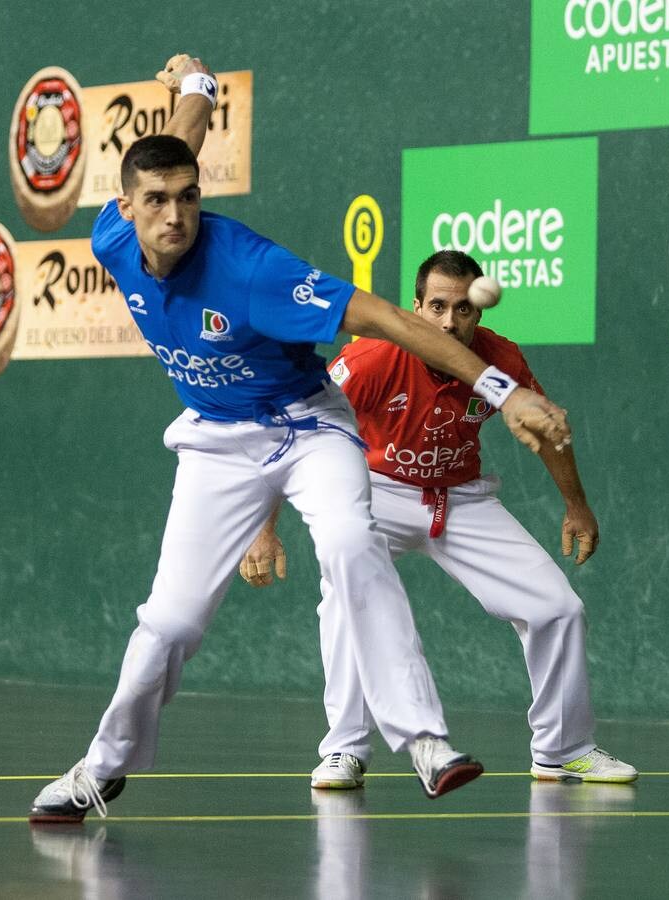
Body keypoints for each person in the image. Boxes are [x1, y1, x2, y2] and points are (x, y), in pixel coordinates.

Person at [28, 55, 573, 823]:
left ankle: (423, 739)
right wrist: (194, 89)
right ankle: (101, 768)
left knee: (353, 540)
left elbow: (391, 320)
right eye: (156, 201)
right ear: (126, 207)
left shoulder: (255, 270)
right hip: (217, 442)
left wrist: (503, 389)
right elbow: (174, 144)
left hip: (307, 424)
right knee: (171, 622)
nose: (176, 216)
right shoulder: (117, 240)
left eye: (190, 199)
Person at [240, 250, 637, 788]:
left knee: (558, 608)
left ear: (479, 310)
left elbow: (546, 430)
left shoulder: (501, 360)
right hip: (378, 490)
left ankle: (563, 749)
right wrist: (263, 528)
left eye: (463, 310)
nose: (450, 322)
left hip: (462, 498)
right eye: (437, 308)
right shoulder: (373, 359)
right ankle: (345, 749)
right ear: (416, 307)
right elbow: (298, 432)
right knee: (345, 592)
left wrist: (576, 504)